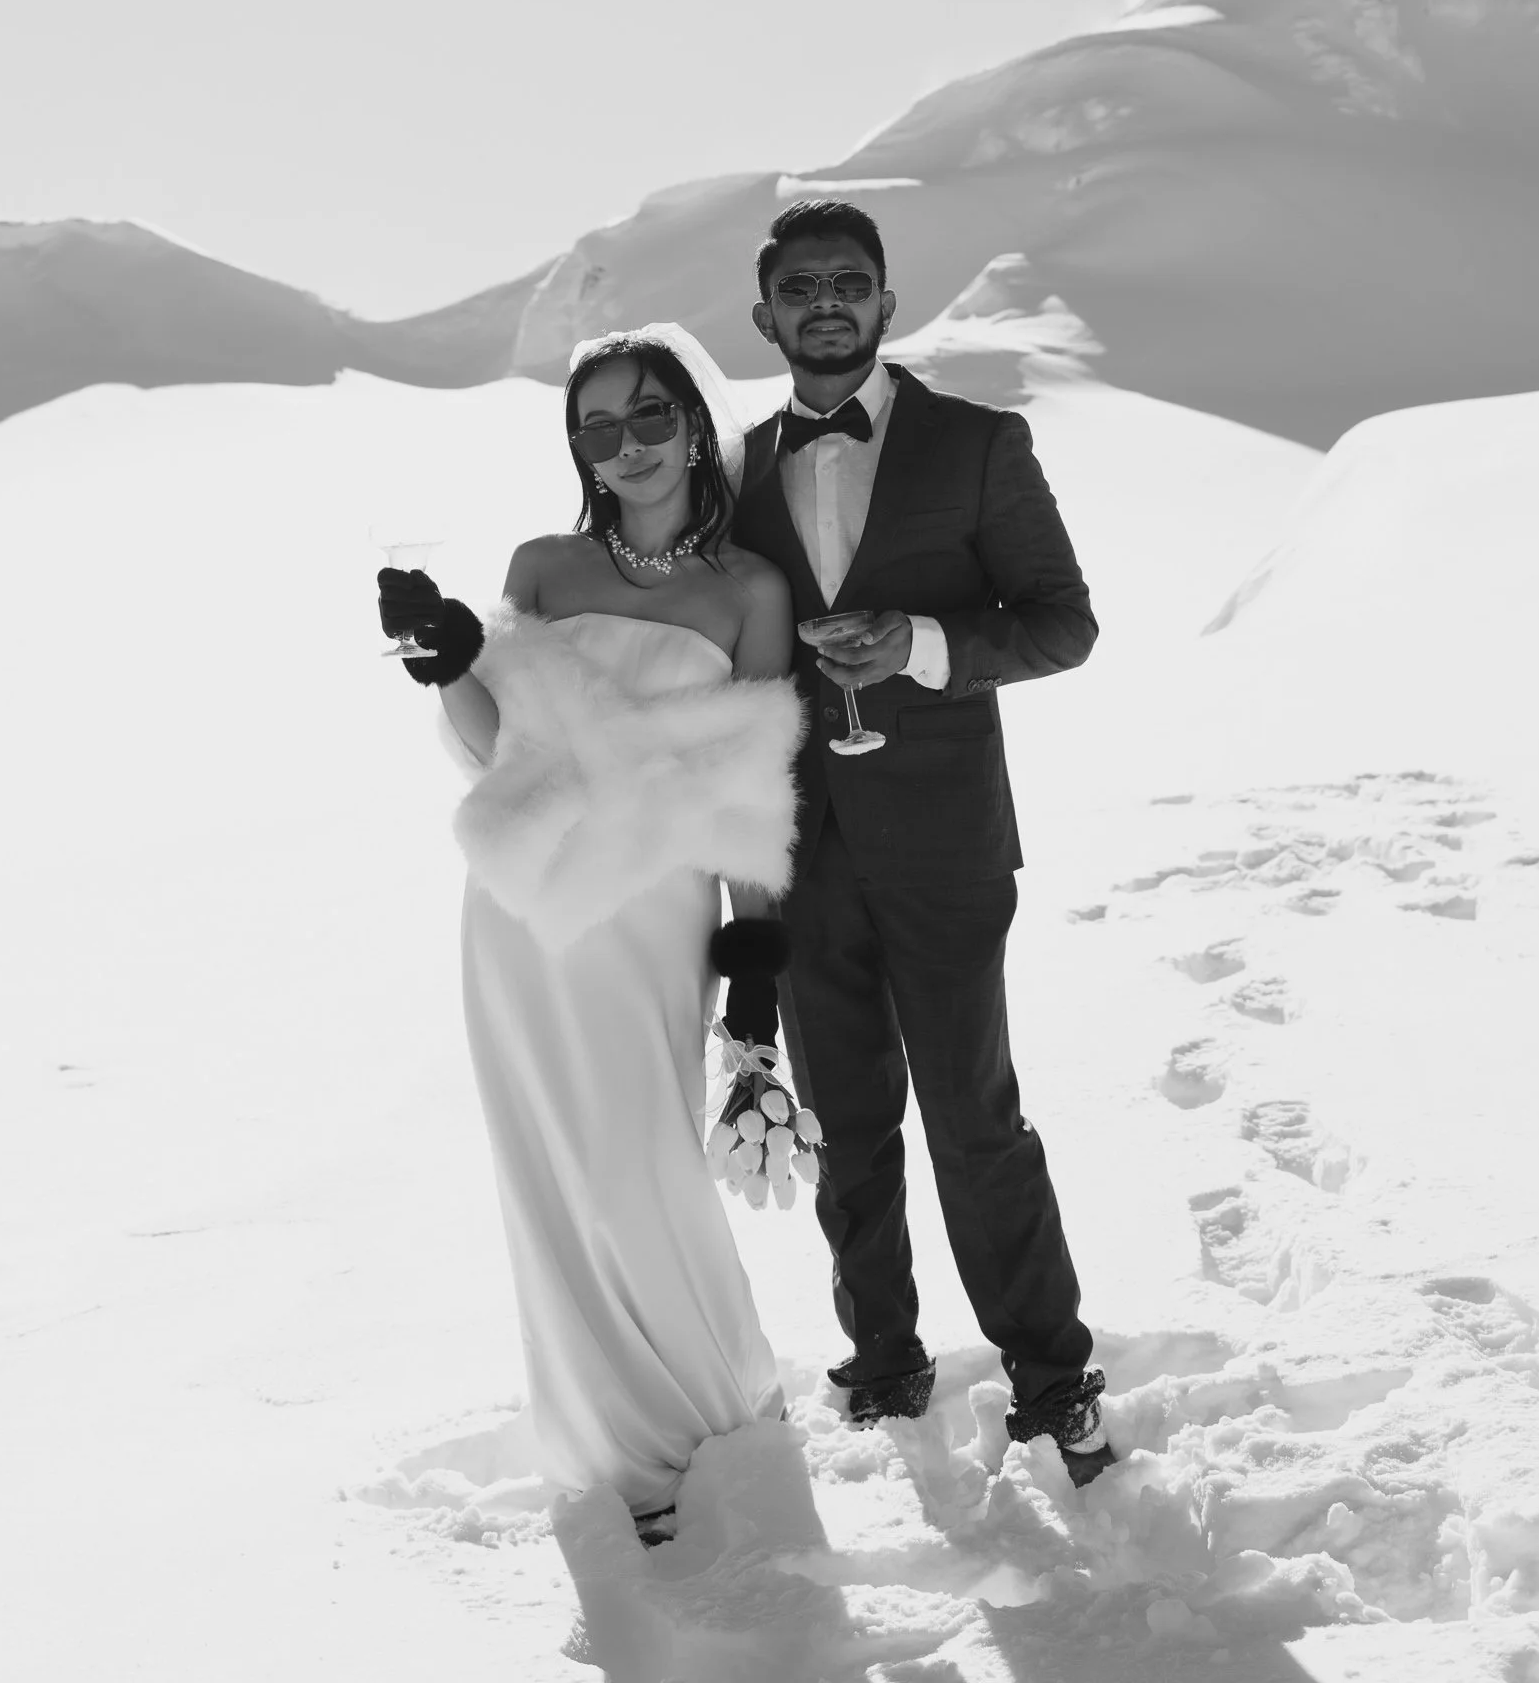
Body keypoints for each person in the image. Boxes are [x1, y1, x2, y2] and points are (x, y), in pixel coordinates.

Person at [376, 327, 804, 1537]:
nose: (628, 446)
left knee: (640, 1168)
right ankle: (624, 1453)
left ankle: (714, 1408)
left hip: (654, 921)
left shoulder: (750, 591)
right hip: (520, 917)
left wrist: (753, 980)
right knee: (552, 1174)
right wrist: (442, 659)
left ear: (695, 424)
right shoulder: (544, 565)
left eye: (650, 416)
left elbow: (751, 794)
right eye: (599, 427)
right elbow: (496, 748)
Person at [730, 199, 1114, 1486]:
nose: (826, 303)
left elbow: (1062, 623)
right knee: (846, 1122)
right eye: (801, 288)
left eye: (849, 282)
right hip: (803, 847)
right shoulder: (735, 471)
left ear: (888, 303)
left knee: (972, 1115)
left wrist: (923, 645)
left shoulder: (980, 443)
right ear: (766, 315)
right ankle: (882, 1357)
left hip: (947, 842)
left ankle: (1052, 1377)